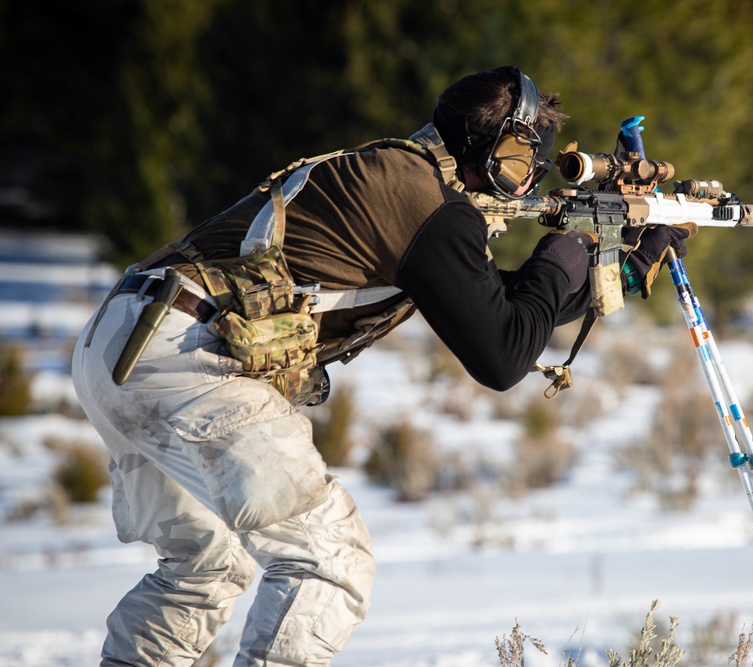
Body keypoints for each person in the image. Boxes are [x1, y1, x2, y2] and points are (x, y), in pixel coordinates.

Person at [72, 66, 691, 666]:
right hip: (186, 360)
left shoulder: (400, 175)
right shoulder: (428, 205)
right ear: (496, 150)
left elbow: (495, 309)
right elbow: (503, 357)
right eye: (524, 165)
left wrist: (617, 268)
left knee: (201, 569)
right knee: (328, 562)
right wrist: (569, 249)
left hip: (127, 342)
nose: (527, 185)